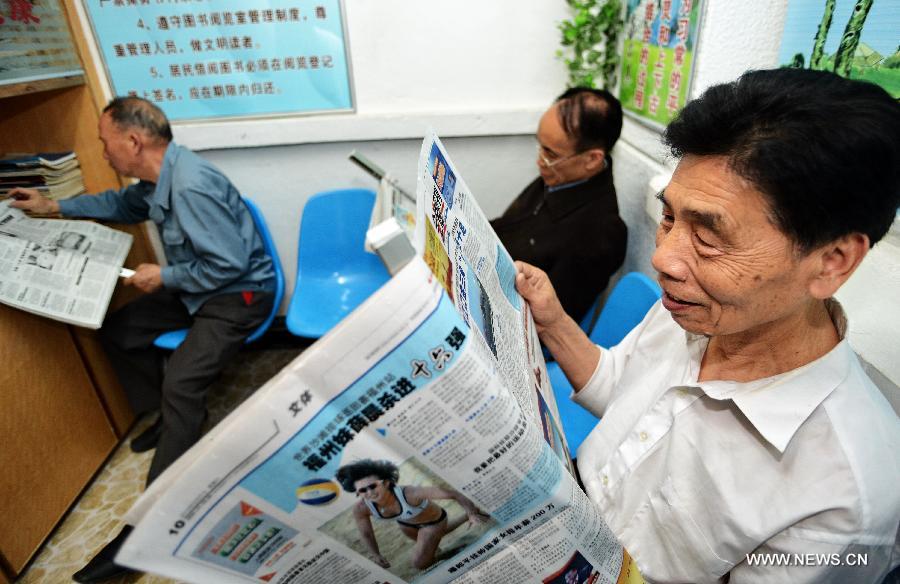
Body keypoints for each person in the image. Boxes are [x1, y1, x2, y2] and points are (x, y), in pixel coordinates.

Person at [515, 69, 900, 583]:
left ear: (831, 261)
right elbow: (620, 392)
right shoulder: (692, 308)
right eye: (670, 218)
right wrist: (554, 320)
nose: (663, 258)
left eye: (710, 236)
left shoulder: (845, 497)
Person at [10, 96, 275, 583]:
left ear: (133, 141)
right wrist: (53, 206)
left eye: (104, 143)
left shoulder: (192, 185)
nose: (103, 152)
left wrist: (166, 276)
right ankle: (170, 417)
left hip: (237, 293)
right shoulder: (156, 178)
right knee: (119, 331)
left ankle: (143, 535)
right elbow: (118, 203)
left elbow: (231, 266)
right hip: (199, 284)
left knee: (182, 382)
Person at [490, 87, 627, 323]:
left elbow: (548, 325)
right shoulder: (560, 177)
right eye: (540, 145)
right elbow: (511, 225)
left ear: (592, 159)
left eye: (551, 153)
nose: (540, 160)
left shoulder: (600, 234)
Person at [336, 459, 490, 571]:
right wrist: (376, 555)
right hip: (406, 525)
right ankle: (465, 519)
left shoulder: (410, 493)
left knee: (420, 564)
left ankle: (448, 550)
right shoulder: (361, 508)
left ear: (386, 483)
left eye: (372, 486)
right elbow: (366, 533)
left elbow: (454, 494)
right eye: (362, 490)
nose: (369, 492)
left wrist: (470, 512)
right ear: (357, 493)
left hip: (434, 522)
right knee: (431, 545)